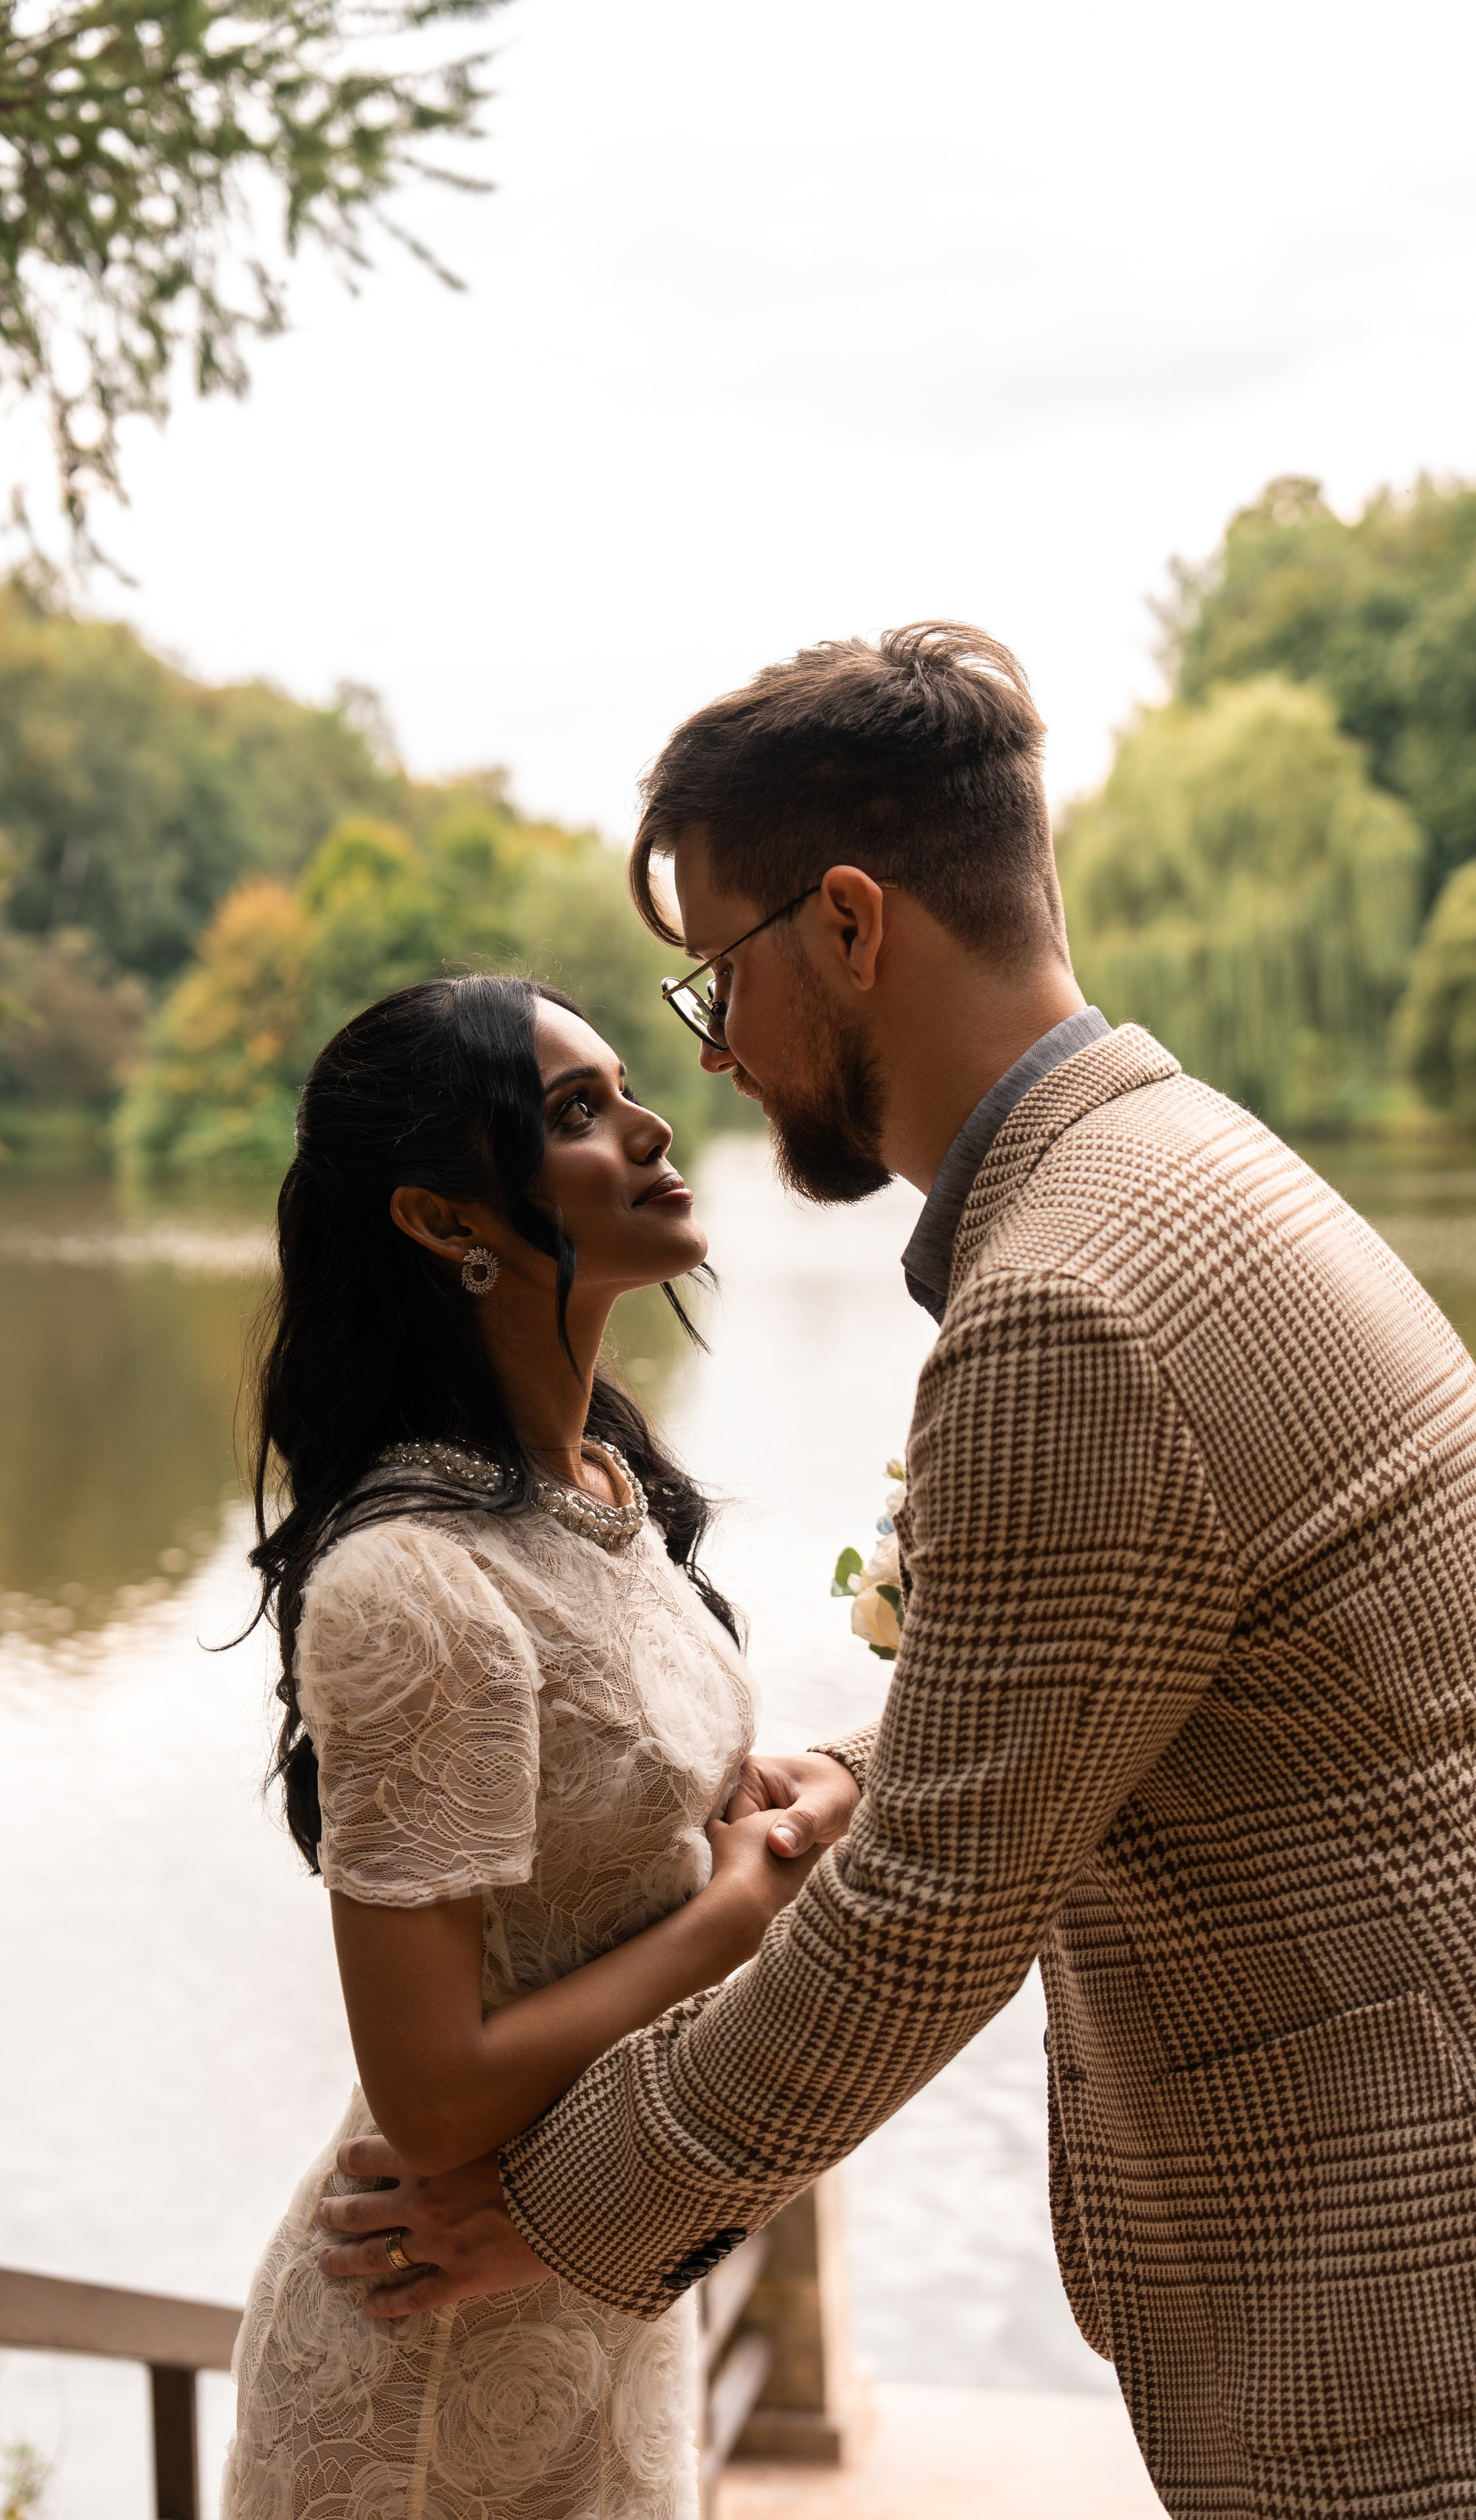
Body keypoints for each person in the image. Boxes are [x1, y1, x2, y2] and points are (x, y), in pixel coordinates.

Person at [318, 625, 1476, 2518]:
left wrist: (548, 2213)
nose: (713, 1055)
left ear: (850, 928)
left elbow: (925, 1926)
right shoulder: (1184, 1167)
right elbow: (1158, 1663)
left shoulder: (1066, 1310)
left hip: (1399, 2313)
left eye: (718, 974)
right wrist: (870, 1765)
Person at [221, 973, 859, 2520]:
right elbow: (432, 2095)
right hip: (425, 2354)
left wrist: (818, 1788)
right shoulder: (409, 1584)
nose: (649, 1125)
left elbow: (643, 1813)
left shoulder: (607, 1486)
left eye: (625, 1085)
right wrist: (736, 1906)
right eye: (574, 1111)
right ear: (448, 1222)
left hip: (599, 2282)